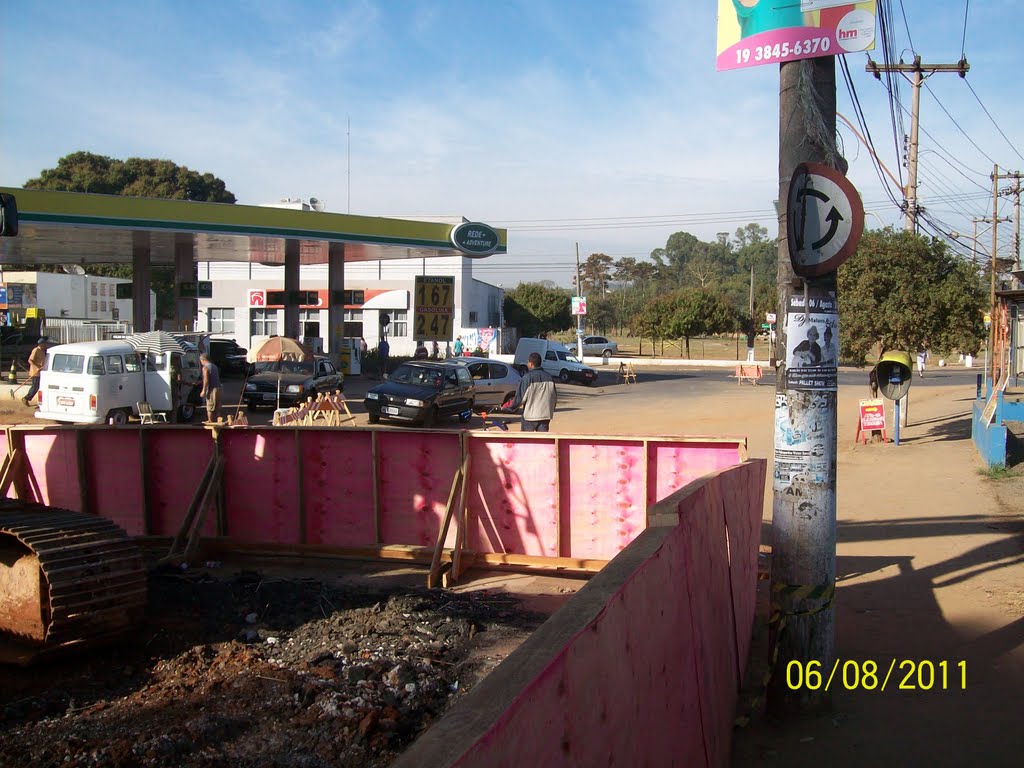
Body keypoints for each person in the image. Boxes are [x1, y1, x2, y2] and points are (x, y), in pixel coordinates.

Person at [501, 351, 557, 432]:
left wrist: (508, 408)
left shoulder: (527, 378)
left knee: (527, 442)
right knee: (543, 442)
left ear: (531, 364)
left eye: (528, 362)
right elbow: (554, 397)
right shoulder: (549, 377)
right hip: (545, 416)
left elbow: (520, 398)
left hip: (530, 417)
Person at [22, 336, 49, 407]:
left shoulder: (43, 351)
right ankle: (26, 398)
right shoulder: (36, 350)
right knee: (35, 387)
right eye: (45, 344)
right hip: (35, 372)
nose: (46, 345)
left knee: (41, 387)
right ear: (41, 344)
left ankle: (40, 402)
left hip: (41, 372)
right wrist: (37, 367)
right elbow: (30, 360)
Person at [199, 353, 222, 422]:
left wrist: (203, 390)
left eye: (201, 361)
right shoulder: (214, 366)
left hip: (212, 389)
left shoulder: (205, 367)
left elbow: (206, 379)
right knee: (217, 407)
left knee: (210, 407)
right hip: (219, 388)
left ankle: (210, 421)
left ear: (203, 360)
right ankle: (219, 421)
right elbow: (212, 377)